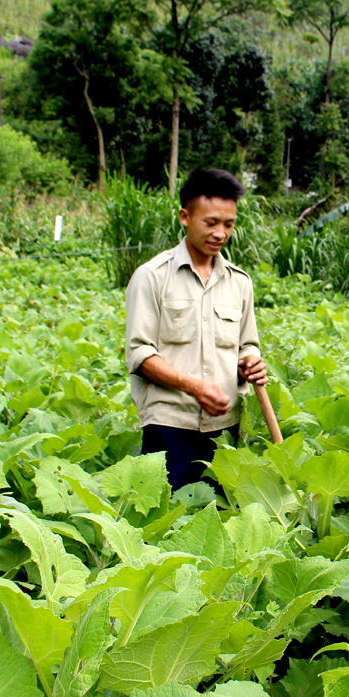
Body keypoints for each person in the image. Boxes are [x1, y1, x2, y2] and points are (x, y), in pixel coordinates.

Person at [125, 168, 267, 490]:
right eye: (211, 223)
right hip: (169, 425)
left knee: (217, 520)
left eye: (229, 224)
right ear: (185, 217)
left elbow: (247, 345)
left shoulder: (239, 282)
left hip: (224, 429)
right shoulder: (152, 277)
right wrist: (194, 387)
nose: (221, 233)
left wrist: (251, 362)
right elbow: (140, 355)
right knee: (165, 520)